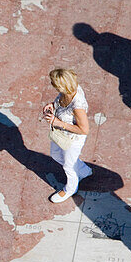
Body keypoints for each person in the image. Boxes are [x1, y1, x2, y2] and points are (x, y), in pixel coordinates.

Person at [42, 67, 92, 203]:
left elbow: (84, 130)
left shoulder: (78, 106)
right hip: (60, 134)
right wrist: (53, 105)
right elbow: (61, 103)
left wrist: (57, 122)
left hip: (73, 139)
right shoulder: (67, 92)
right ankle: (83, 170)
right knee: (55, 155)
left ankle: (70, 188)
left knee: (68, 167)